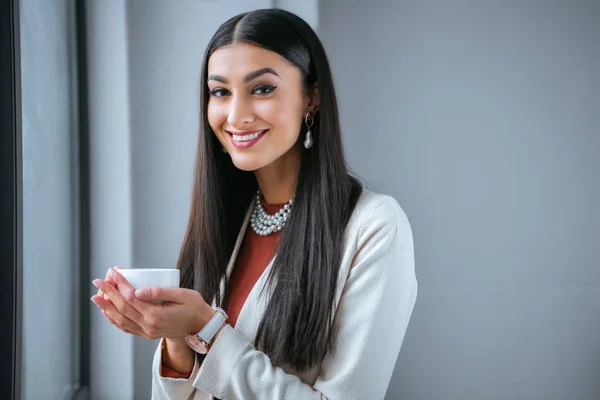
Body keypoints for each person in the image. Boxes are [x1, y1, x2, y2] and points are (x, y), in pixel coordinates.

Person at [91, 8, 417, 400]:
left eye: (261, 89)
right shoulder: (226, 219)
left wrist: (209, 330)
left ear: (311, 98)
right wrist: (177, 340)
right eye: (220, 92)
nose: (236, 115)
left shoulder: (375, 226)